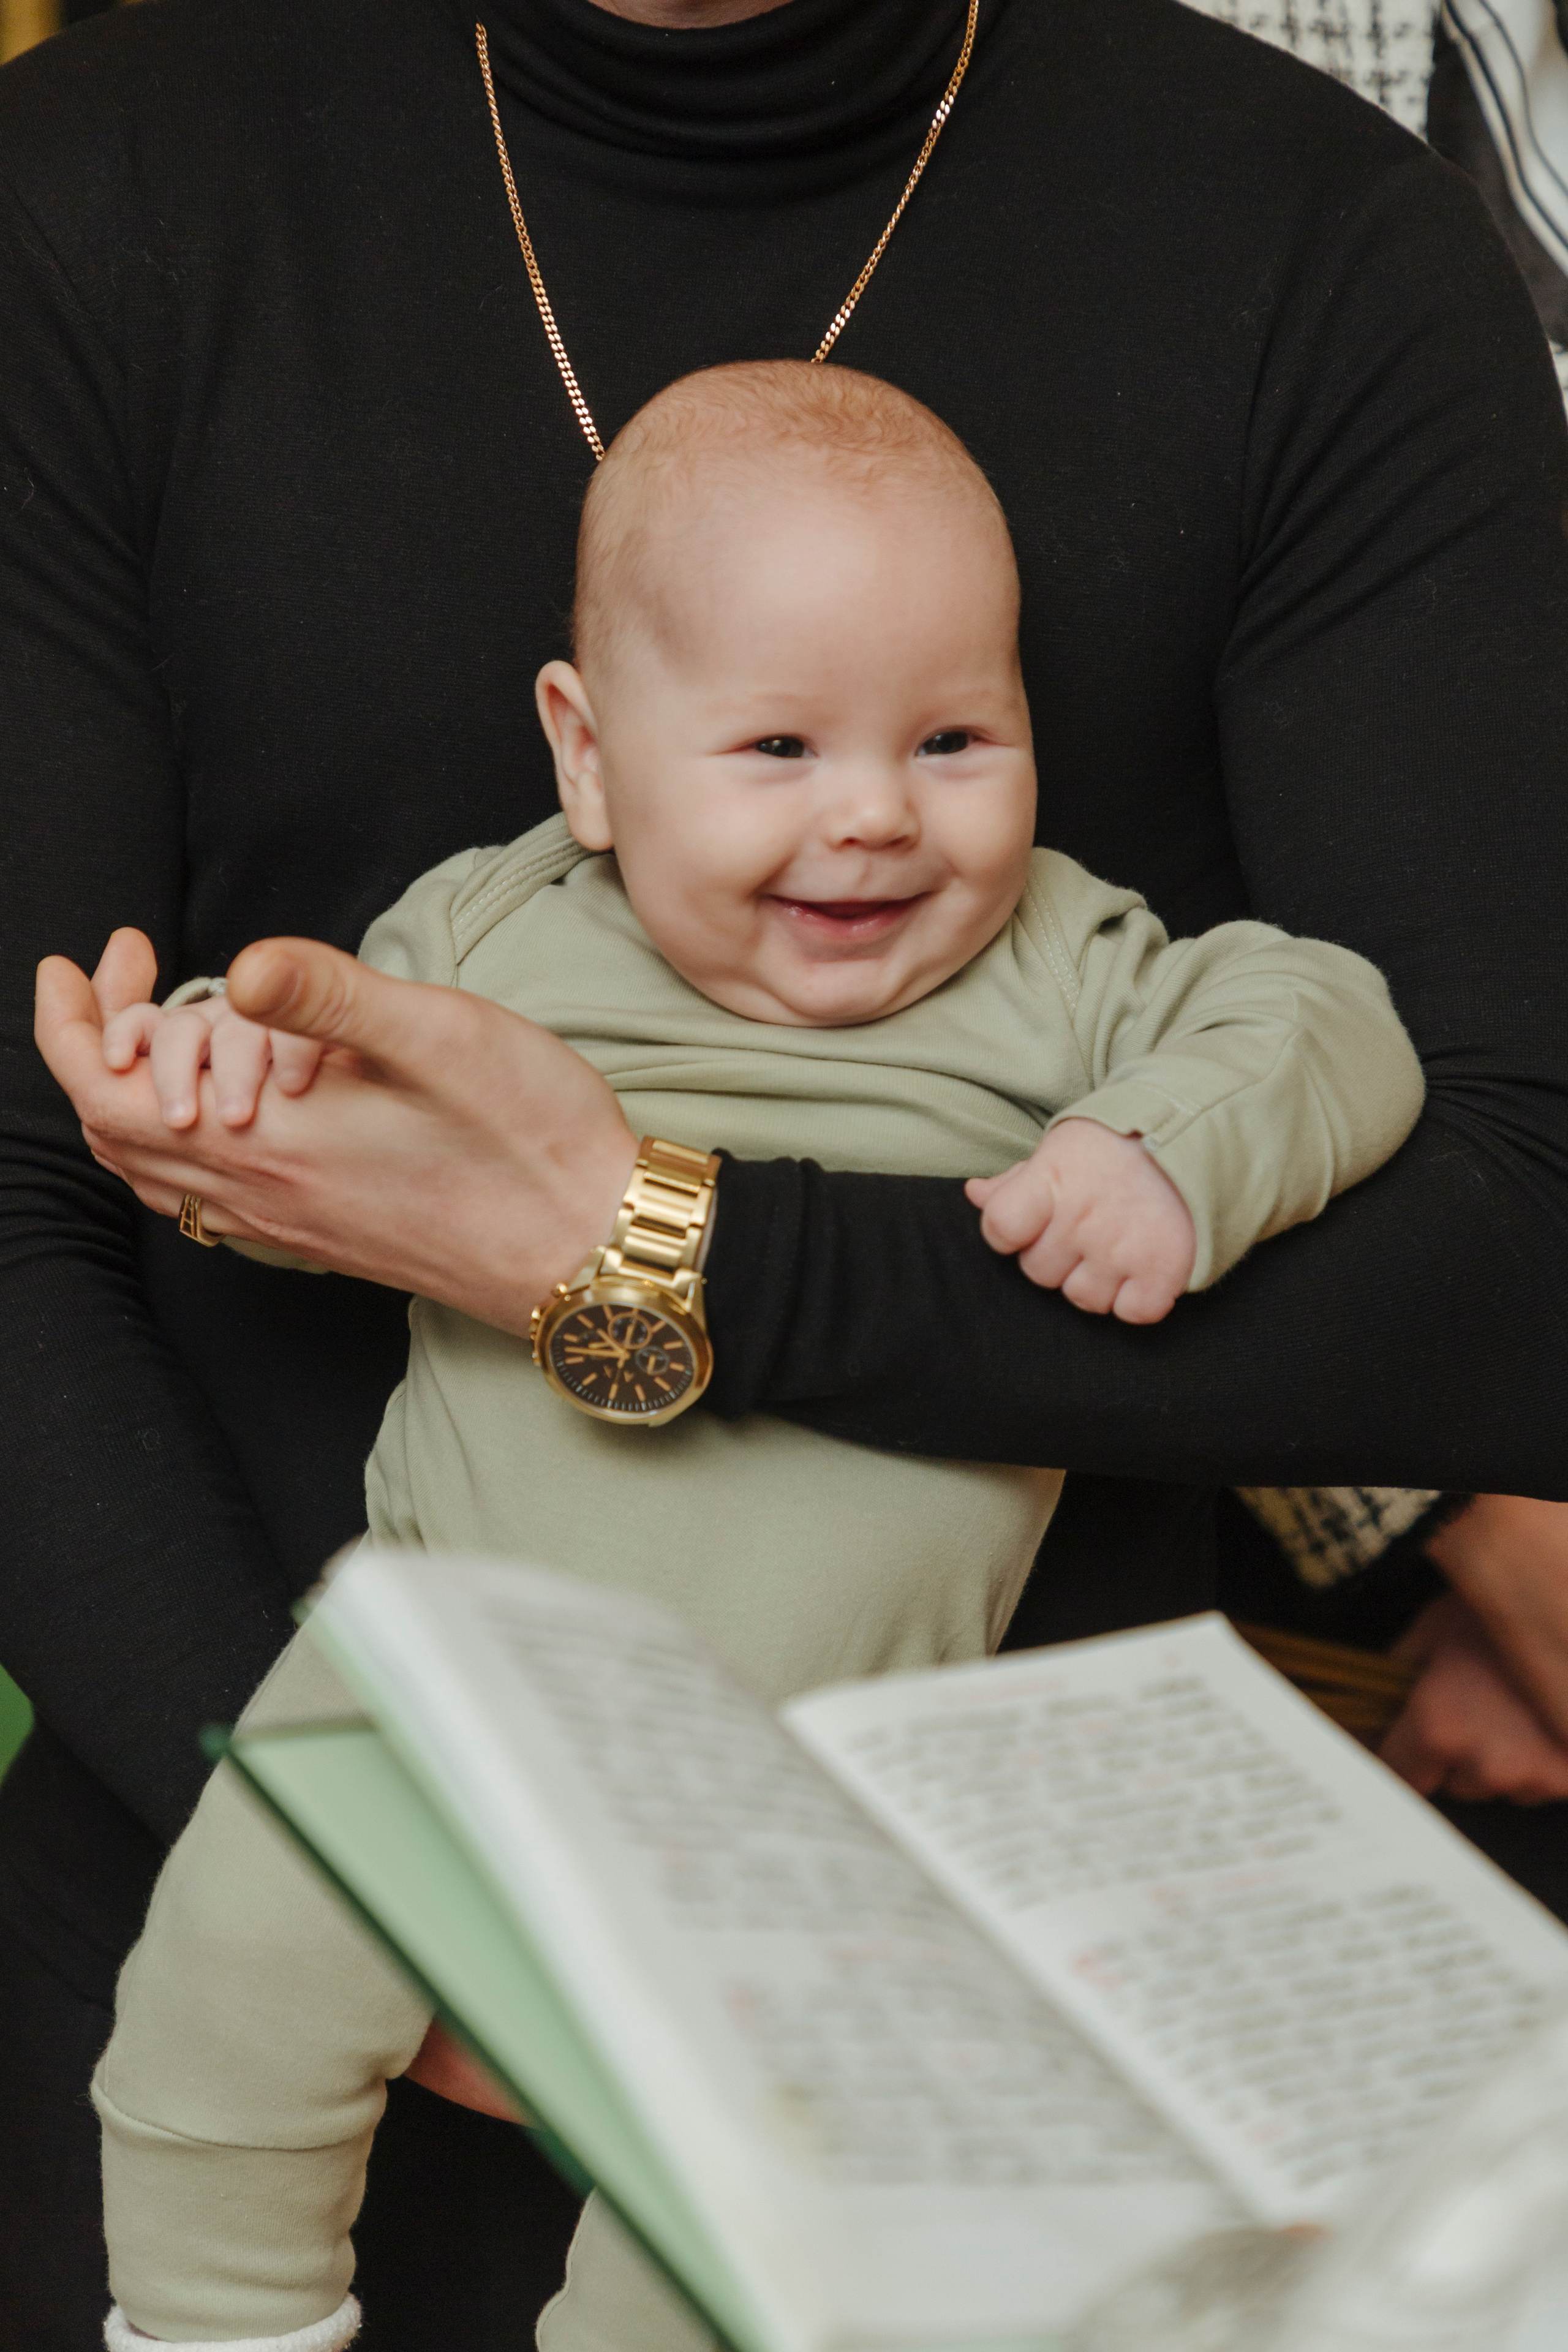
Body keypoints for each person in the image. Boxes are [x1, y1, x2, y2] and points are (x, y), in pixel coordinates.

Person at [8, 1, 1568, 2343]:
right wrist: (205, 1071)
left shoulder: (1318, 256)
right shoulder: (105, 186)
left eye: (956, 740)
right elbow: (184, 1100)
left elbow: (1481, 1195)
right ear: (586, 755)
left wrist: (667, 1240)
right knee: (215, 2058)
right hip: (315, 1732)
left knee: (727, 2251)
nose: (871, 819)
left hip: (938, 1863)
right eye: (780, 749)